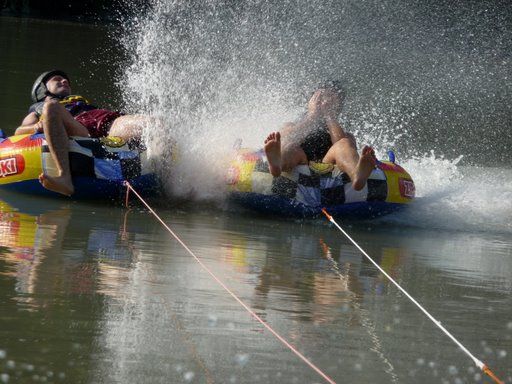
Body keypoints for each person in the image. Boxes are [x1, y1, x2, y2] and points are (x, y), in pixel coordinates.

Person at [15, 70, 151, 196]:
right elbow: (19, 131)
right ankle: (64, 178)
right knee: (52, 107)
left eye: (66, 81)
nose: (64, 81)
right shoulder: (38, 110)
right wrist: (36, 126)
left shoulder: (79, 102)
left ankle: (164, 179)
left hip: (109, 124)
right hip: (79, 129)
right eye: (57, 79)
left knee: (154, 123)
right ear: (42, 90)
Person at [264, 81, 376, 191]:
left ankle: (356, 175)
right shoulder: (293, 124)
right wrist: (312, 115)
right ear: (311, 102)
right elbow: (285, 138)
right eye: (321, 99)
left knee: (345, 142)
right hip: (300, 159)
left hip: (328, 163)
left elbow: (339, 141)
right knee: (290, 145)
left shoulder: (342, 133)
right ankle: (277, 165)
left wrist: (329, 115)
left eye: (331, 102)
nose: (325, 104)